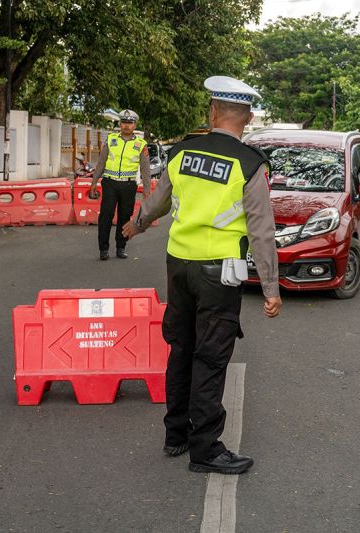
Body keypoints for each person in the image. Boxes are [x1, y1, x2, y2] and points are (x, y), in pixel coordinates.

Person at [122, 76, 282, 475]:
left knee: (181, 347)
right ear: (246, 118)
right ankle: (206, 448)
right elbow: (261, 231)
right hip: (219, 273)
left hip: (178, 265)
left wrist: (137, 224)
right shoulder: (250, 164)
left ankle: (175, 434)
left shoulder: (182, 151)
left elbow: (158, 202)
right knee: (210, 358)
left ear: (212, 112)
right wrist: (271, 288)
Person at [90, 109, 151, 260]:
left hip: (128, 186)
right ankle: (103, 249)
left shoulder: (141, 144)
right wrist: (94, 182)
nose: (126, 126)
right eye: (124, 122)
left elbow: (145, 169)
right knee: (106, 215)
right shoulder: (110, 140)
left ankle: (121, 247)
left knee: (125, 217)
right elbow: (101, 163)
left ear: (135, 124)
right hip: (110, 183)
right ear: (120, 123)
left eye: (130, 123)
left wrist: (147, 190)